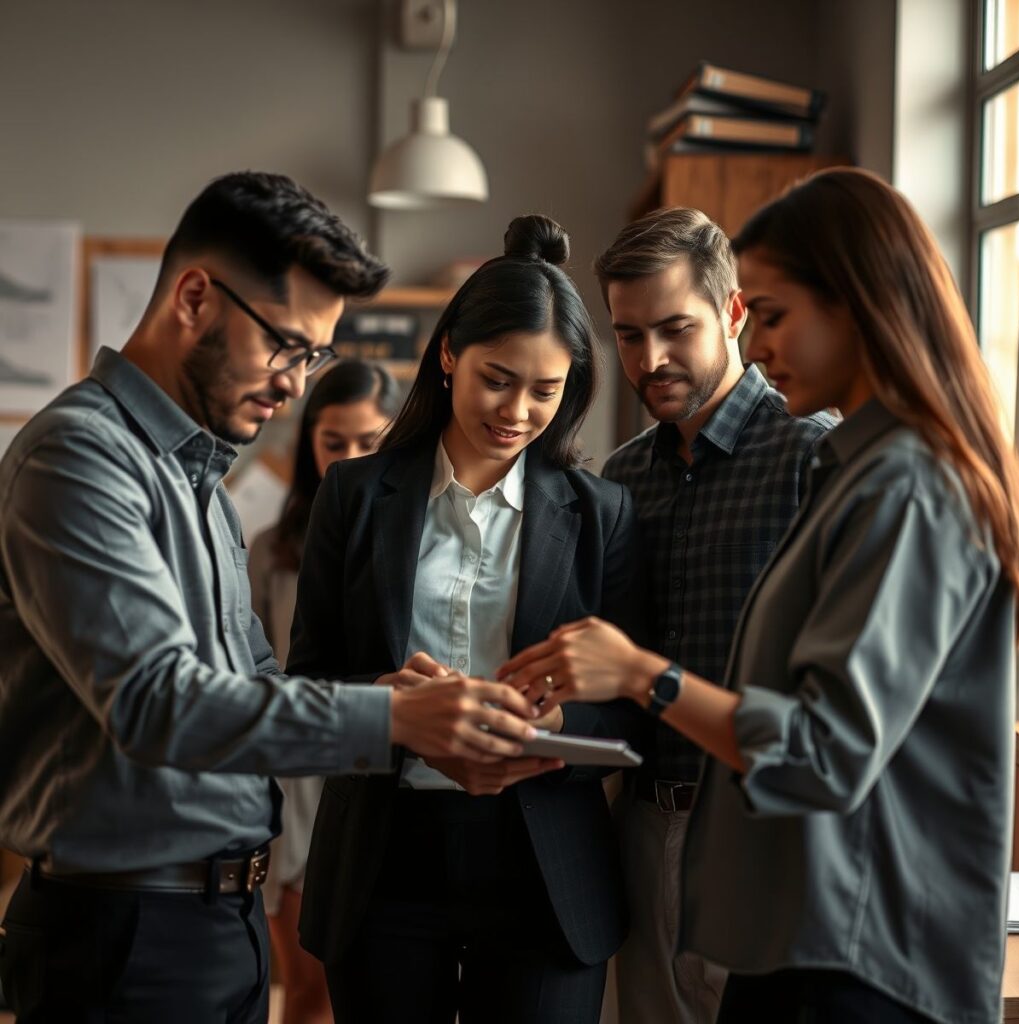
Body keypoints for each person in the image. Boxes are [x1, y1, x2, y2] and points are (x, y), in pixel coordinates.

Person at [0, 171, 538, 1023]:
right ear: (193, 298)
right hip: (124, 931)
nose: (296, 384)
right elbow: (155, 703)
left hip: (224, 921)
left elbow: (253, 689)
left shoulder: (204, 481)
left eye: (313, 357)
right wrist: (394, 723)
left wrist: (385, 702)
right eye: (286, 345)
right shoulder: (77, 458)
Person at [500, 167, 1019, 1024]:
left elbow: (826, 748)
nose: (651, 359)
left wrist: (643, 675)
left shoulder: (878, 479)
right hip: (730, 863)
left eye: (773, 315)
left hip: (833, 902)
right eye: (628, 335)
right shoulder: (839, 468)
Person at [288, 214, 647, 1024]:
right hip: (384, 863)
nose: (517, 410)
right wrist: (391, 709)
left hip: (545, 868)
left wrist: (557, 725)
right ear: (449, 354)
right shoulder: (353, 496)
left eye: (546, 390)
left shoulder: (603, 516)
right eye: (497, 378)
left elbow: (634, 710)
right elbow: (307, 686)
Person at [589, 206, 833, 1024]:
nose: (650, 359)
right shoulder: (622, 479)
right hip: (641, 825)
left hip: (765, 830)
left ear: (733, 313)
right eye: (627, 335)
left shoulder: (814, 455)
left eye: (674, 328)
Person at [247, 359, 401, 1024]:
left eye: (369, 441)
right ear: (308, 440)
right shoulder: (271, 548)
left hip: (387, 777)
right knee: (307, 990)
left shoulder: (412, 535)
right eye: (333, 441)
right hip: (295, 780)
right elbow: (253, 675)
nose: (348, 459)